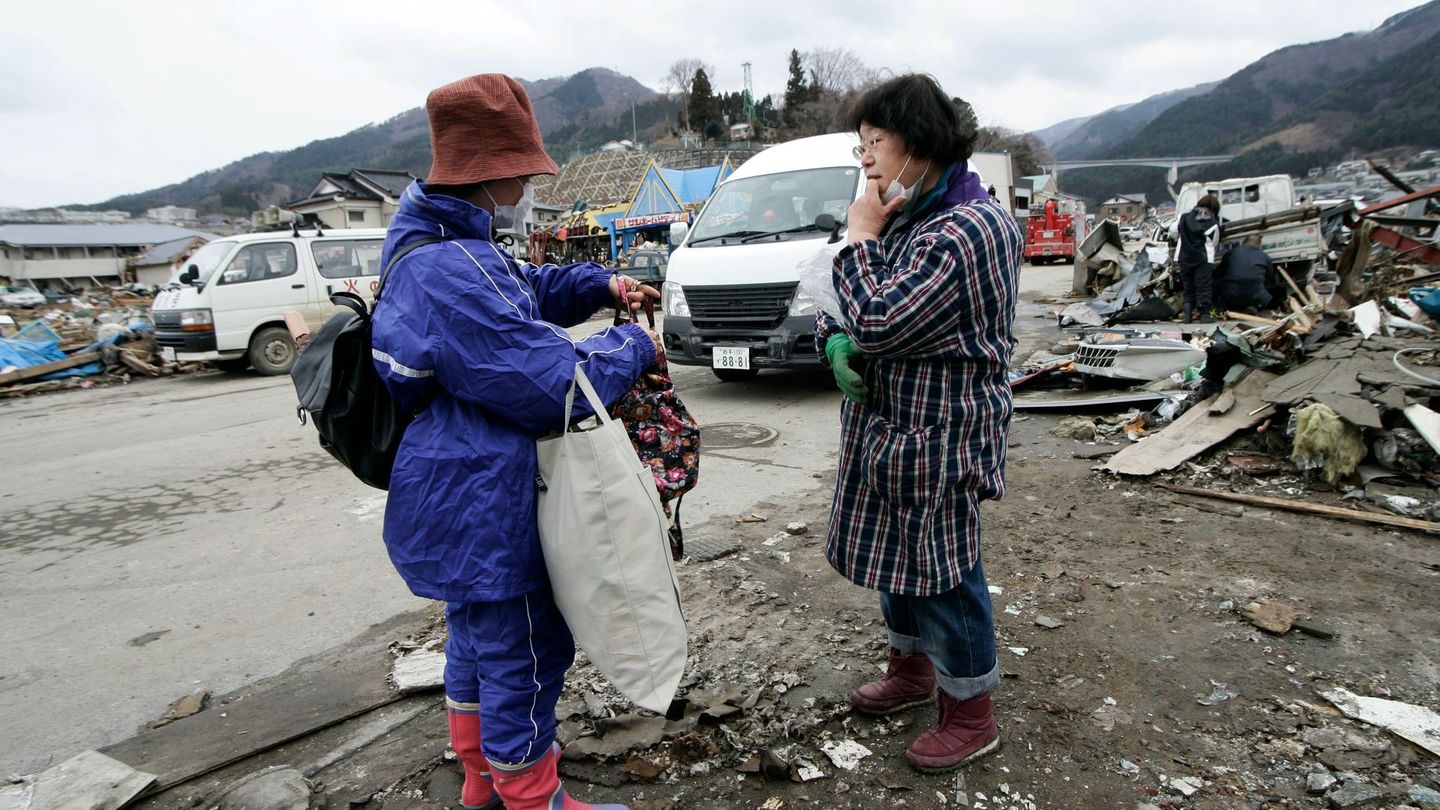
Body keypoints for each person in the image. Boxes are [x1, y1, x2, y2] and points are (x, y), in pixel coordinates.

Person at [369, 74, 659, 810]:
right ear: (491, 172)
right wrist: (630, 346)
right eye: (524, 170)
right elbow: (551, 386)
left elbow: (520, 289)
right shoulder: (447, 269)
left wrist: (599, 287)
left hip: (450, 483)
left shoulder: (438, 240)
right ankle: (533, 798)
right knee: (525, 652)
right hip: (485, 496)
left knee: (474, 644)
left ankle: (480, 782)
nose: (531, 181)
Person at [816, 74, 1022, 773]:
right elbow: (840, 306)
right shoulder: (907, 212)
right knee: (893, 556)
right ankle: (911, 671)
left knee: (942, 569)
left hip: (942, 430)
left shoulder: (972, 227)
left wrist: (858, 240)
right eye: (861, 144)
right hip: (889, 426)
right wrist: (833, 339)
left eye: (876, 142)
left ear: (920, 141)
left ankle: (971, 710)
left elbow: (878, 315)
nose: (866, 158)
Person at [1172, 194, 1223, 322]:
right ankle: (1204, 314)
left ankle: (1188, 315)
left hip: (1183, 257)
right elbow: (1215, 241)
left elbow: (1173, 232)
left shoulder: (1182, 217)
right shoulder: (1212, 223)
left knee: (1188, 285)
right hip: (1202, 258)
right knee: (1203, 286)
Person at [1216, 234, 1284, 314]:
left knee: (1217, 284)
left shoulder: (1231, 253)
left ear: (1243, 242)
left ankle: (1223, 307)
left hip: (1232, 294)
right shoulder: (1265, 256)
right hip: (1256, 296)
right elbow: (1268, 279)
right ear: (1259, 244)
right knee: (1266, 291)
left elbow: (1220, 272)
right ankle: (1254, 307)